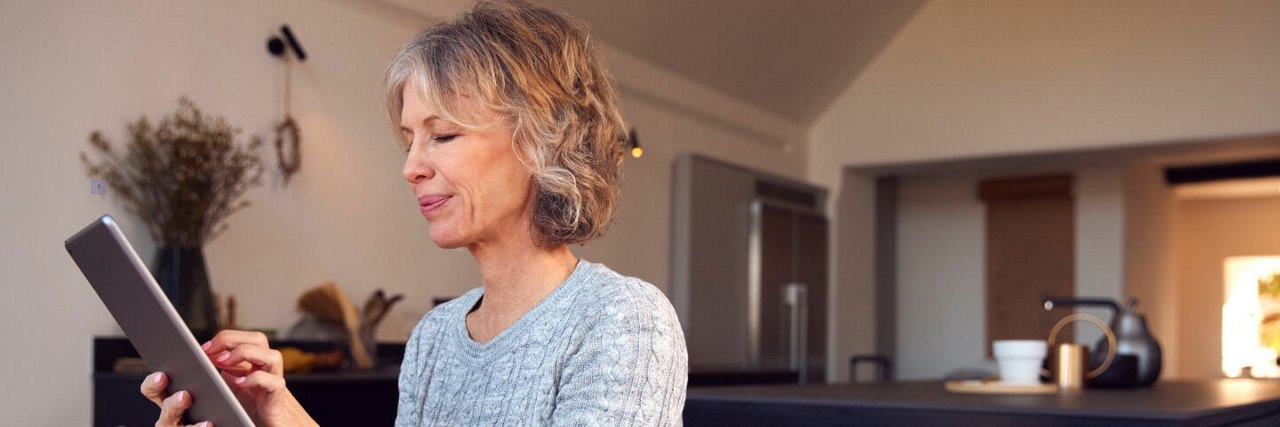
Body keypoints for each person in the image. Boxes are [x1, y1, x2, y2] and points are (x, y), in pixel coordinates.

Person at [140, 0, 689, 425]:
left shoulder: (622, 320)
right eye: (409, 140)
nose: (412, 167)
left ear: (542, 144)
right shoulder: (435, 337)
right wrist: (271, 411)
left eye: (444, 135)